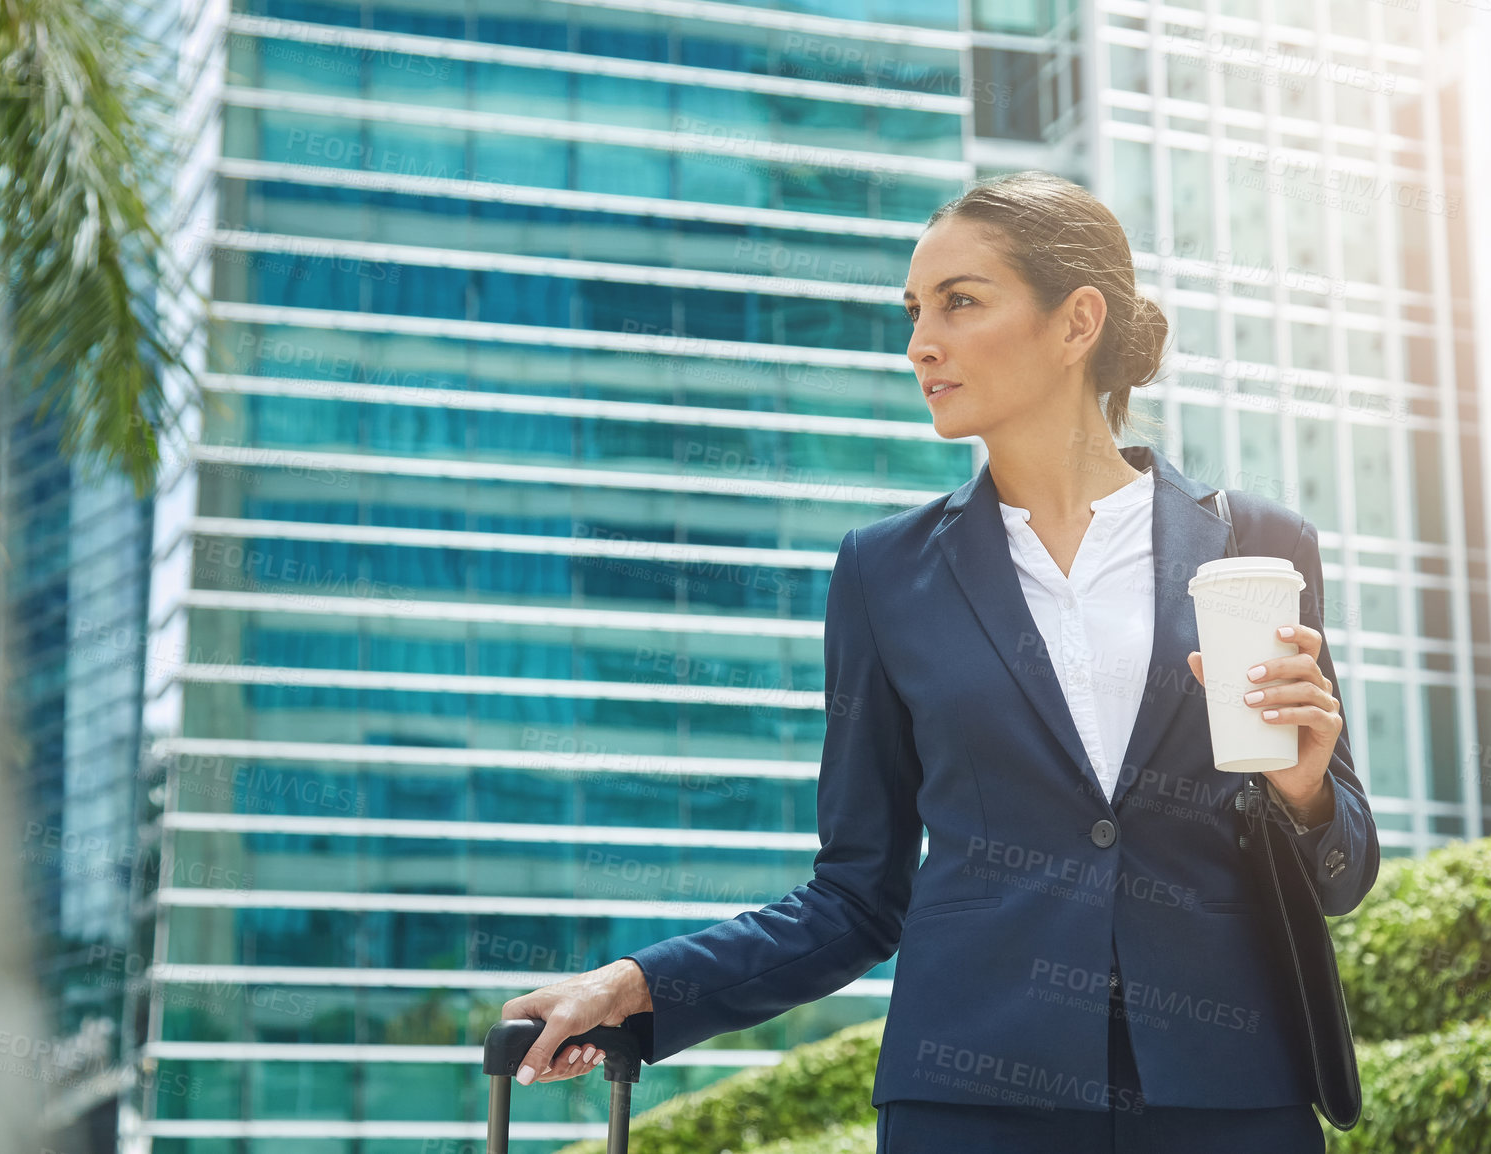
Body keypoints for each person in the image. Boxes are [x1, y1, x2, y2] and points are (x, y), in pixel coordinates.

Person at [497, 171, 1380, 1152]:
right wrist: (635, 987)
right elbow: (852, 895)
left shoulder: (1255, 543)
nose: (921, 341)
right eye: (915, 310)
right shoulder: (883, 571)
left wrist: (1304, 790)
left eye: (960, 302)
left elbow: (1340, 873)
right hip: (970, 1103)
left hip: (1228, 1097)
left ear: (1075, 320)